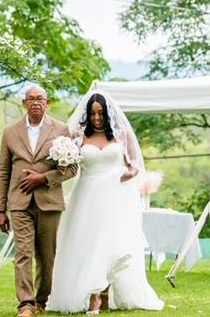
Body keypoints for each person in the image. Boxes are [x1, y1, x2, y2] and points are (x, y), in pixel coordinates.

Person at [47, 91, 164, 314]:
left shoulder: (121, 135)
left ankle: (101, 296)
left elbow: (134, 165)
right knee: (88, 243)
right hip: (87, 195)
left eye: (100, 113)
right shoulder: (78, 137)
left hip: (114, 195)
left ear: (108, 114)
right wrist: (61, 162)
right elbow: (68, 164)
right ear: (88, 114)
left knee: (110, 244)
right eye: (93, 113)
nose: (97, 117)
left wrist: (130, 173)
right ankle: (92, 295)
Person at [0, 85, 78, 317]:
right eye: (30, 99)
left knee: (47, 256)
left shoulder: (61, 129)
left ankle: (42, 300)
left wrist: (44, 178)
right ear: (24, 103)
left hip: (49, 201)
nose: (35, 102)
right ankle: (26, 305)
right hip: (19, 202)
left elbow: (72, 168)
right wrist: (0, 208)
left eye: (40, 98)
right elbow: (3, 171)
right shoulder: (10, 132)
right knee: (23, 253)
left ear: (47, 102)